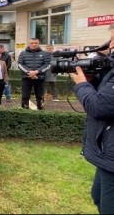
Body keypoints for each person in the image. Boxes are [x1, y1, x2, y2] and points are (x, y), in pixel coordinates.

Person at [70, 26, 114, 214]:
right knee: (98, 196)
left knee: (108, 207)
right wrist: (92, 80)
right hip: (107, 152)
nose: (110, 45)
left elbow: (99, 107)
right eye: (111, 39)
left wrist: (81, 84)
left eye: (113, 40)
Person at [17, 38, 50, 110]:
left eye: (35, 43)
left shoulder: (45, 54)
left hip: (39, 78)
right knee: (25, 96)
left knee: (40, 96)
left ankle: (40, 111)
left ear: (38, 44)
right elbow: (20, 64)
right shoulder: (23, 53)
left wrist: (37, 72)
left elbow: (47, 65)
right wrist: (29, 72)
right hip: (26, 77)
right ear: (29, 44)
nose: (34, 44)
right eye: (32, 43)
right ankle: (25, 111)